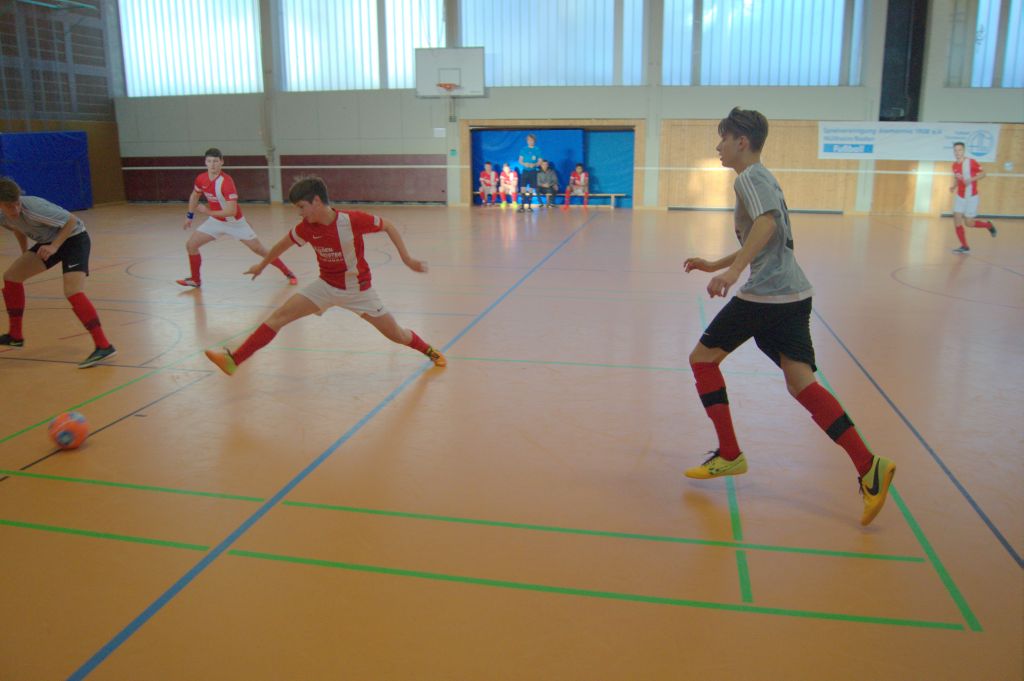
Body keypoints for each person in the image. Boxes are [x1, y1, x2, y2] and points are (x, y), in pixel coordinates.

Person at [682, 107, 895, 527]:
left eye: (723, 138)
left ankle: (730, 453)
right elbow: (765, 237)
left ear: (742, 141)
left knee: (702, 360)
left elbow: (766, 224)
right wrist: (715, 262)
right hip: (794, 295)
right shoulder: (763, 178)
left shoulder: (748, 177)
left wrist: (733, 272)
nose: (718, 146)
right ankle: (869, 466)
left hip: (767, 296)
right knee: (802, 384)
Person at [204, 176, 447, 376]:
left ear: (317, 201)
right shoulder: (306, 228)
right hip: (325, 286)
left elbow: (388, 225)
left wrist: (407, 259)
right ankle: (234, 360)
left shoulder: (352, 220)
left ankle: (429, 350)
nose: (299, 213)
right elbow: (281, 245)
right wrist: (261, 265)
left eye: (301, 207)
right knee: (279, 317)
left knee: (397, 335)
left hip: (358, 291)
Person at [0, 177, 117, 368]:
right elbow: (18, 228)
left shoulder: (35, 208)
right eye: (9, 206)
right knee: (11, 277)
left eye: (17, 203)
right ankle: (15, 336)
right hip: (48, 242)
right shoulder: (3, 216)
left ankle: (104, 346)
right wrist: (25, 254)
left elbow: (71, 220)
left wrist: (54, 246)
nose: (15, 209)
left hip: (74, 238)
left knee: (72, 291)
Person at [178, 148, 297, 288]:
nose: (212, 164)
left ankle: (288, 273)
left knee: (259, 249)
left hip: (235, 223)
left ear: (222, 162)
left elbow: (231, 211)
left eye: (215, 161)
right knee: (191, 245)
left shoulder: (226, 182)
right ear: (205, 162)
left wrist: (208, 211)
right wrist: (190, 215)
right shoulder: (201, 178)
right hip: (215, 221)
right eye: (209, 161)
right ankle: (195, 280)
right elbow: (195, 195)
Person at [949, 141, 997, 254]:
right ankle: (965, 246)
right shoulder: (954, 165)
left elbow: (983, 173)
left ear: (964, 151)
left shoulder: (971, 162)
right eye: (955, 150)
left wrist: (971, 179)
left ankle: (988, 225)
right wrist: (954, 186)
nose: (957, 152)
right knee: (956, 220)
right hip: (960, 196)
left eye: (960, 150)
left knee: (969, 223)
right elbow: (957, 177)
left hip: (971, 197)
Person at [517, 134, 542, 212]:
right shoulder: (523, 149)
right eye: (529, 140)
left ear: (534, 141)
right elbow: (520, 160)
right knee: (523, 188)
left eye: (532, 140)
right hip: (525, 171)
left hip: (533, 171)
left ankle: (529, 206)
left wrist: (534, 164)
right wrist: (525, 164)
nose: (530, 141)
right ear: (527, 141)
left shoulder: (537, 150)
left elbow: (540, 161)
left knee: (531, 188)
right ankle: (522, 206)